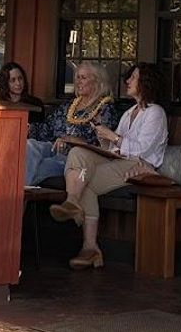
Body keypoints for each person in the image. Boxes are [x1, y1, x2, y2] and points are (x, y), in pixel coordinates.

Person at [51, 62, 170, 270]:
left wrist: (113, 136)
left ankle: (90, 248)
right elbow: (114, 148)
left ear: (146, 82)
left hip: (138, 165)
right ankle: (72, 201)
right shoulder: (130, 112)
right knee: (78, 153)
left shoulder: (155, 113)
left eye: (133, 77)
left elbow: (141, 150)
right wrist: (102, 136)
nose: (128, 81)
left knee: (86, 182)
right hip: (118, 159)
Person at [23, 61, 117, 187]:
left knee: (40, 167)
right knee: (29, 145)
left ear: (97, 81)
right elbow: (47, 128)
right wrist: (29, 128)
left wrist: (71, 140)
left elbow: (101, 145)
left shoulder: (104, 109)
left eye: (83, 78)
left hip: (74, 157)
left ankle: (18, 194)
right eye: (77, 77)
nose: (78, 82)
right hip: (53, 146)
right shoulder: (68, 106)